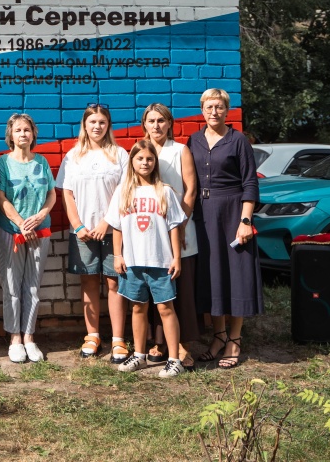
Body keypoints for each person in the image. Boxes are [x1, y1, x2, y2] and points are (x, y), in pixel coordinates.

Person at [186, 87, 263, 368]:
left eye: (219, 107)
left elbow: (250, 183)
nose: (214, 112)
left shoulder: (238, 140)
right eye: (209, 107)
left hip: (232, 212)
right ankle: (218, 335)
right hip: (203, 214)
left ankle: (235, 339)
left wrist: (245, 221)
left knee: (236, 273)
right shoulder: (193, 140)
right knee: (213, 273)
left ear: (227, 110)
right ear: (202, 110)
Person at [107, 139, 187, 378]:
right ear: (132, 161)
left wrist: (177, 257)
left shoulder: (165, 191)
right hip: (132, 262)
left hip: (161, 262)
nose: (145, 163)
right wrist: (118, 255)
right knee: (138, 308)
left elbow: (174, 227)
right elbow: (117, 227)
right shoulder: (123, 191)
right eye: (140, 158)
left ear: (155, 163)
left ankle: (174, 359)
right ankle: (139, 355)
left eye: (150, 159)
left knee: (165, 308)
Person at [57, 103, 130, 363]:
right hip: (83, 232)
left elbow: (124, 192)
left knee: (114, 282)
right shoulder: (73, 156)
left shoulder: (120, 154)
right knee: (88, 282)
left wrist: (107, 223)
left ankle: (118, 339)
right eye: (92, 122)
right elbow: (66, 193)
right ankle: (92, 336)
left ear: (108, 125)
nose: (97, 126)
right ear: (84, 125)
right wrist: (78, 225)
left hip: (114, 230)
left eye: (102, 122)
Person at [141, 103, 200, 371]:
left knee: (181, 287)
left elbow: (190, 190)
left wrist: (182, 224)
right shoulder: (141, 151)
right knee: (155, 286)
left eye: (161, 120)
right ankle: (159, 341)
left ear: (170, 124)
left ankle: (183, 343)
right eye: (151, 120)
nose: (156, 125)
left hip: (180, 227)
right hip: (149, 230)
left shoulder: (180, 150)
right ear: (144, 124)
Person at [0, 113, 56, 363]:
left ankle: (29, 337)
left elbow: (51, 193)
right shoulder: (3, 163)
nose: (23, 134)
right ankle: (15, 339)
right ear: (11, 135)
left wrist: (41, 215)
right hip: (12, 232)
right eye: (18, 130)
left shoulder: (42, 161)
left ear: (33, 134)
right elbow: (1, 198)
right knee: (11, 285)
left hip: (40, 232)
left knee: (33, 285)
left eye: (27, 130)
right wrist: (21, 224)